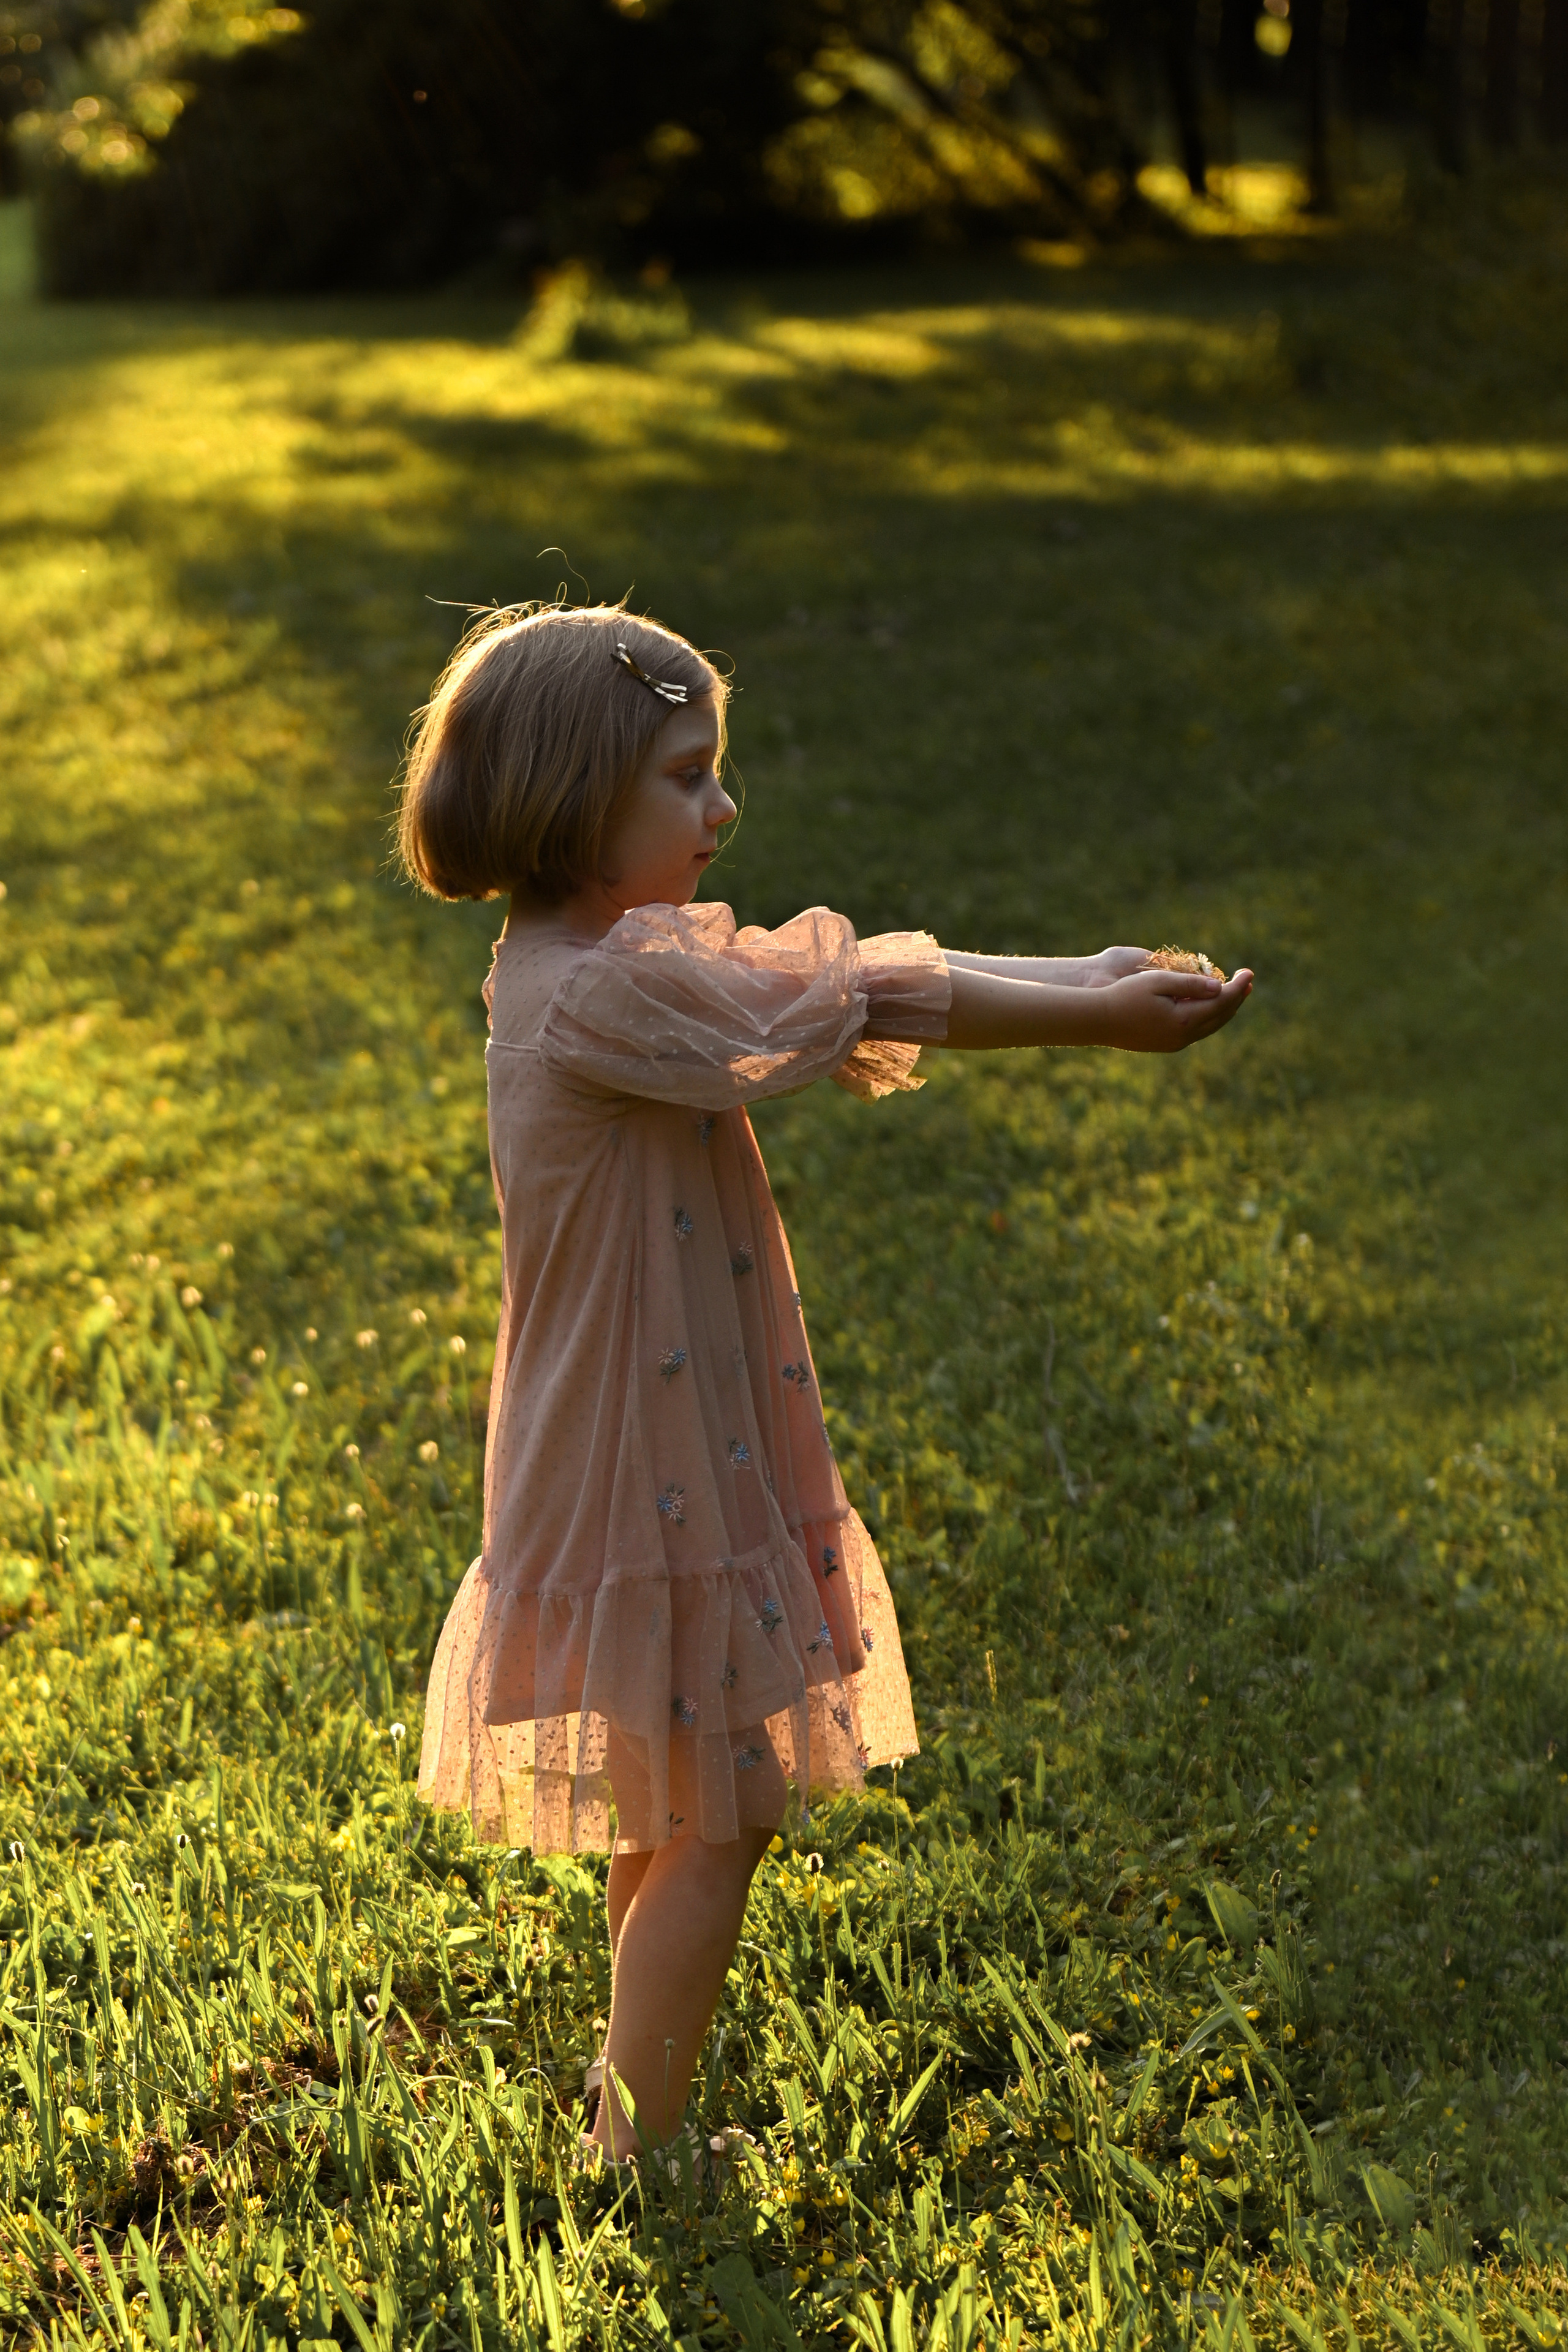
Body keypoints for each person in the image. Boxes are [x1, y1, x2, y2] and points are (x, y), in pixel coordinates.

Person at [398, 600, 1252, 2172]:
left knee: (671, 1806)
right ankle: (632, 2153)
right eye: (686, 778)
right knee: (718, 1815)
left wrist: (1089, 968)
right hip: (634, 1454)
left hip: (638, 1434)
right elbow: (849, 997)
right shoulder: (605, 992)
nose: (722, 811)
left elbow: (839, 974)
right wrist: (1094, 1023)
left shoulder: (582, 956)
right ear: (578, 800)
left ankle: (622, 2109)